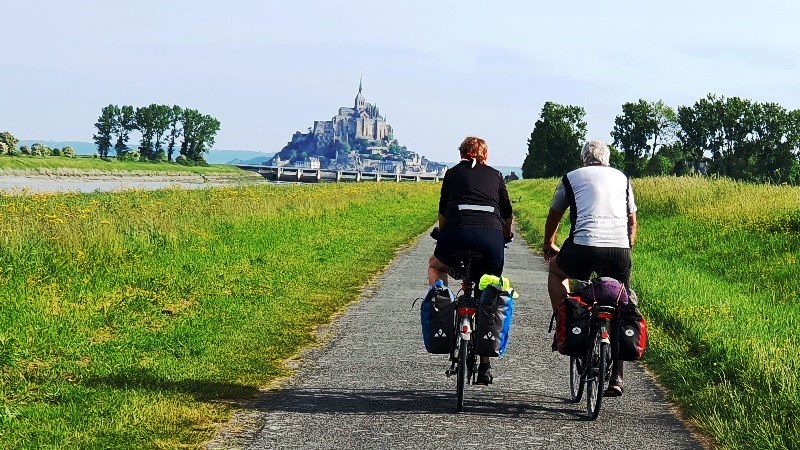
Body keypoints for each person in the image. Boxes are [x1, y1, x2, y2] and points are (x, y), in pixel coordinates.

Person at [543, 139, 638, 397]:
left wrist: (549, 243)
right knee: (620, 301)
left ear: (583, 158)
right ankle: (617, 376)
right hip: (619, 250)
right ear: (607, 159)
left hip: (583, 246)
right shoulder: (623, 178)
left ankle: (564, 322)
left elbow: (555, 214)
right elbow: (632, 221)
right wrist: (626, 249)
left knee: (555, 271)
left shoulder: (572, 177)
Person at [428, 136, 513, 385]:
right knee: (489, 290)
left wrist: (443, 233)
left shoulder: (452, 174)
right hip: (490, 241)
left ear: (461, 154)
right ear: (484, 156)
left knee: (435, 265)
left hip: (456, 236)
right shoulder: (497, 176)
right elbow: (507, 214)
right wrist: (505, 234)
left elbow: (444, 213)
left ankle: (442, 303)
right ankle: (485, 365)